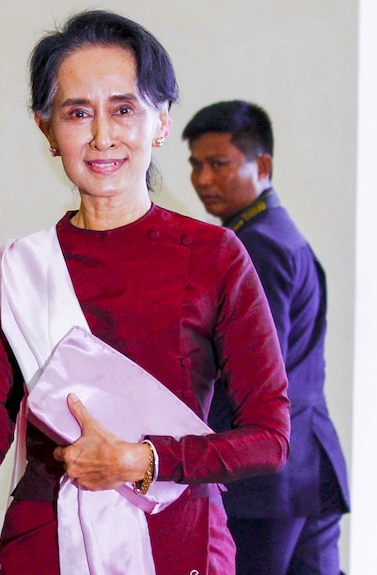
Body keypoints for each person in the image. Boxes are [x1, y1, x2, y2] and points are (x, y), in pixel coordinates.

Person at [0, 10, 290, 575]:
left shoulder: (213, 256)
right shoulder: (17, 272)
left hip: (177, 544)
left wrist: (143, 460)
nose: (102, 136)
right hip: (44, 546)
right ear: (47, 129)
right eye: (78, 112)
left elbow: (269, 439)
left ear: (160, 122)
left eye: (123, 109)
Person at [183, 100, 350, 575]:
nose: (203, 179)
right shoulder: (277, 232)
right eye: (196, 165)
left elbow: (252, 373)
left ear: (263, 165)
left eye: (219, 164)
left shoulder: (256, 244)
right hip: (306, 467)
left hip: (266, 480)